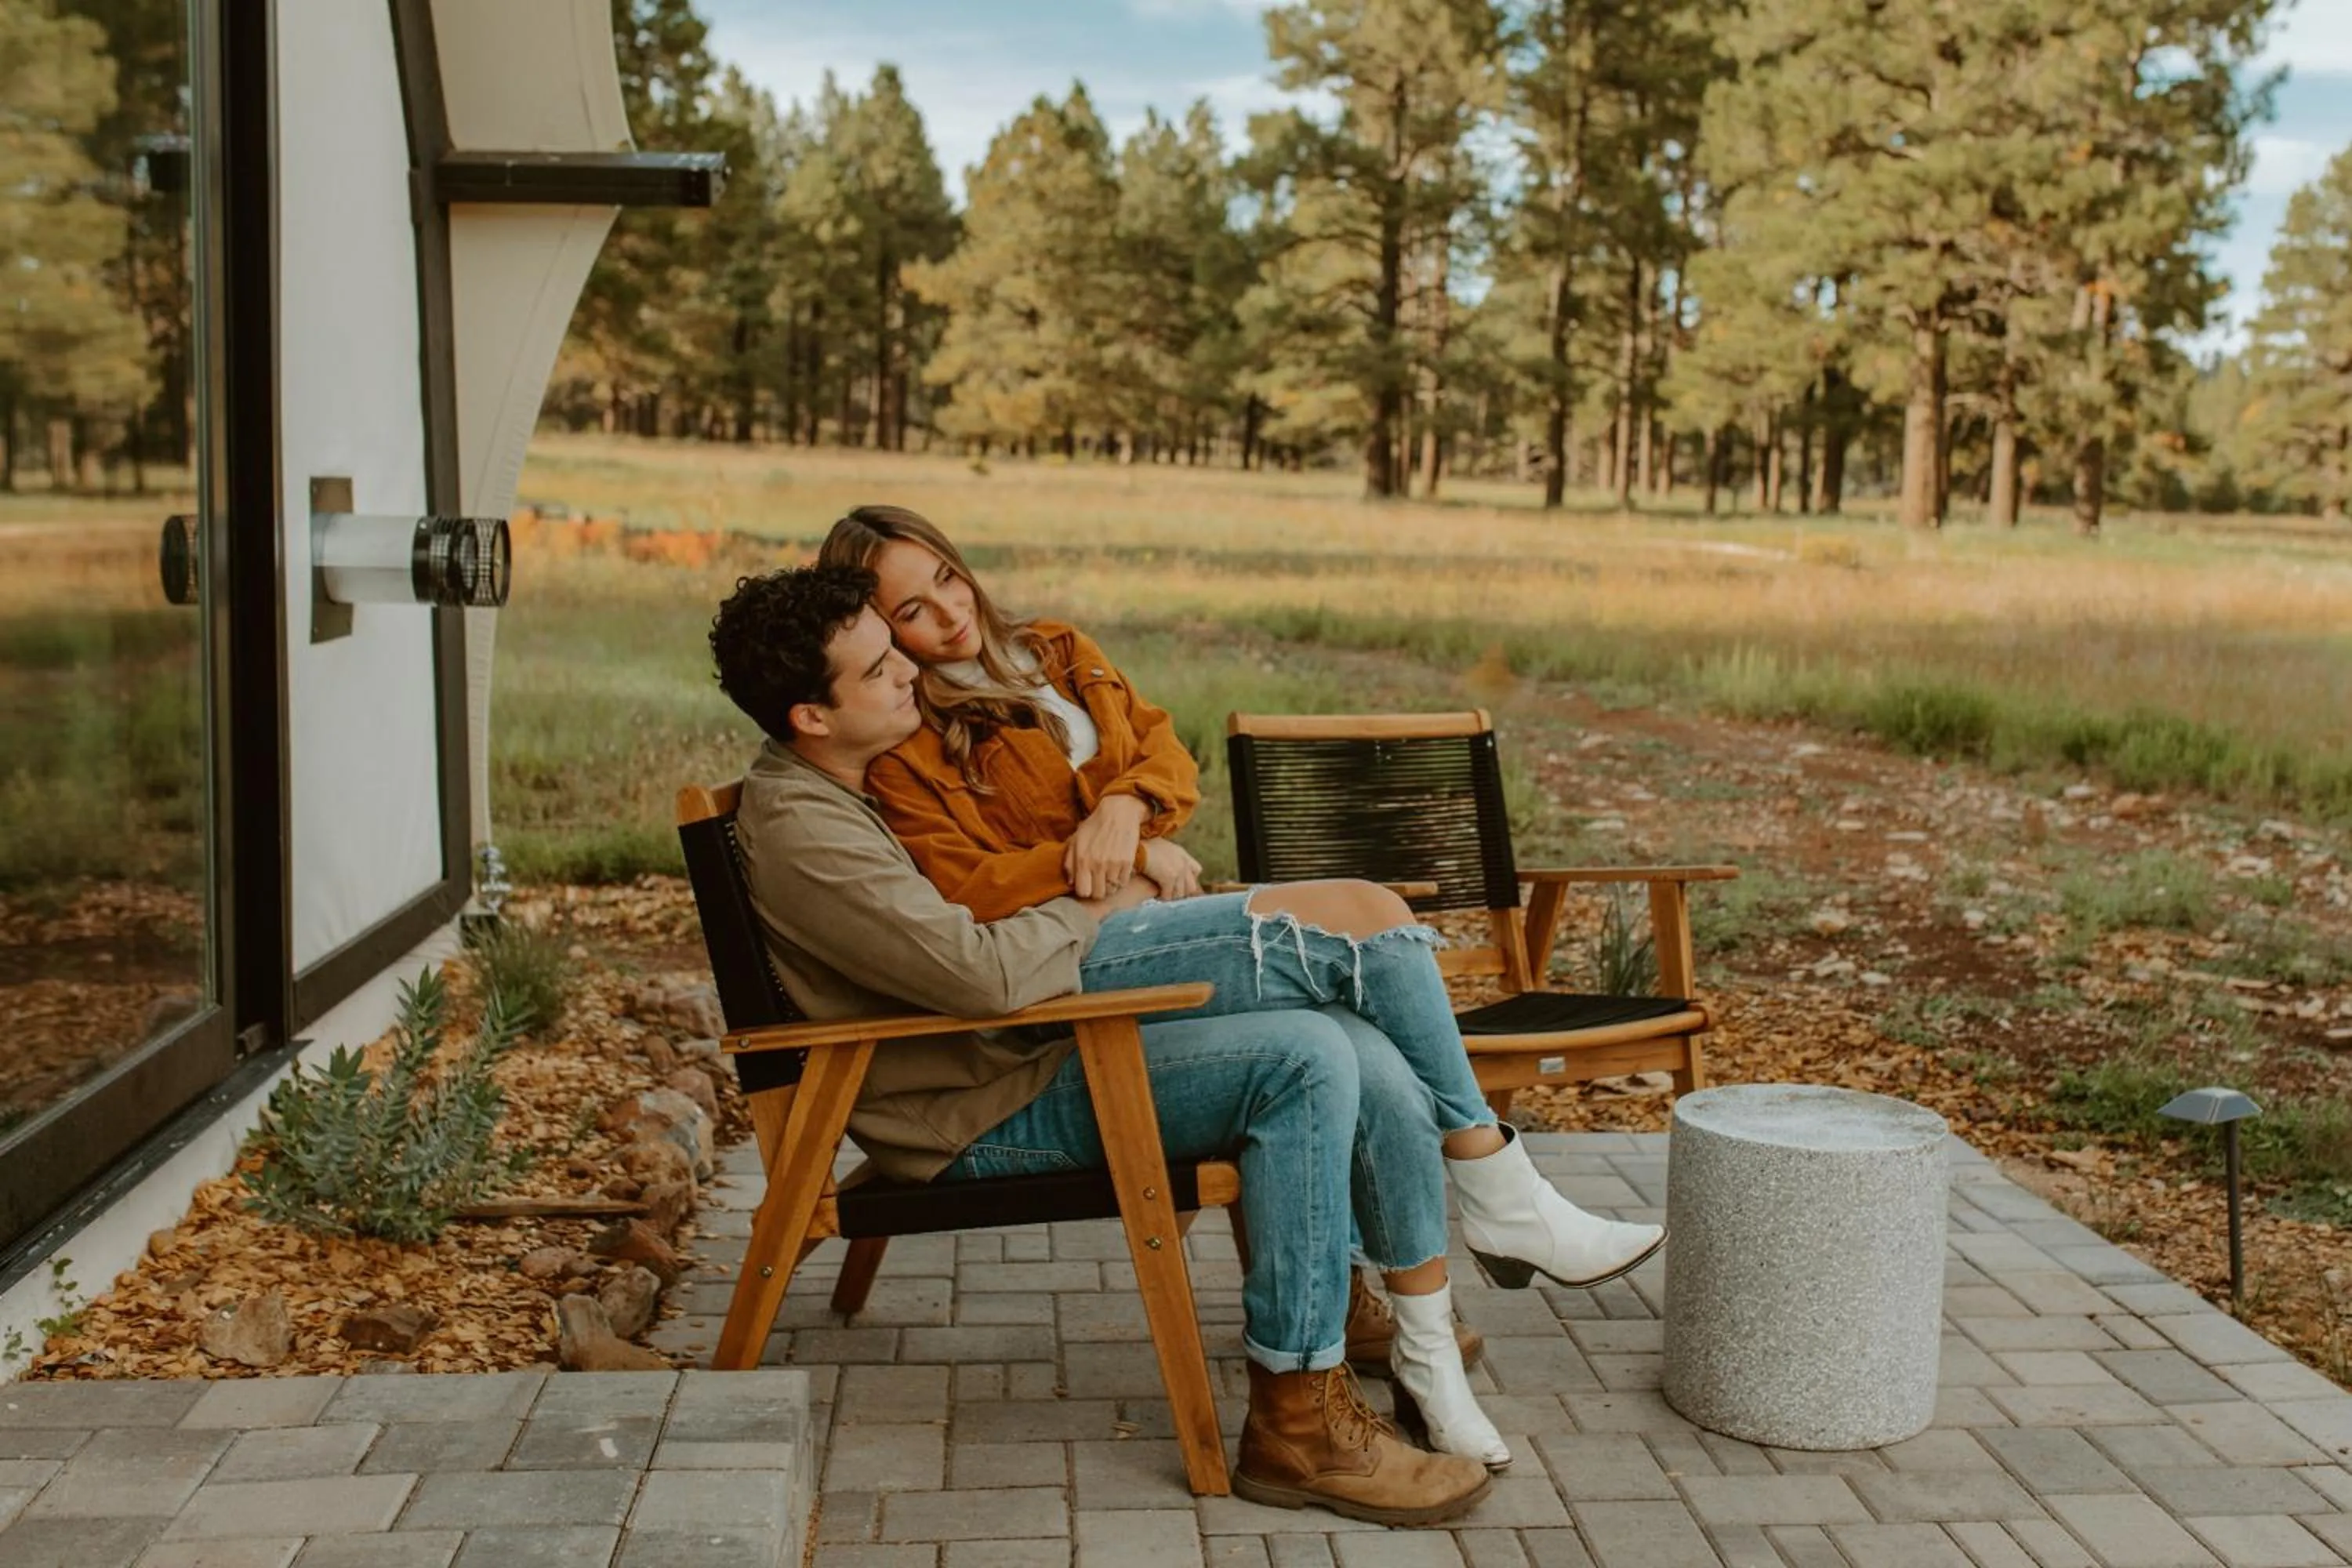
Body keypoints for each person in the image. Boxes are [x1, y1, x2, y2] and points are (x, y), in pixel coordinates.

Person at [709, 564, 1493, 1525]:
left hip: (1016, 1057)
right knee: (1302, 1054)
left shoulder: (846, 780)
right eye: (877, 669)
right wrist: (1105, 898)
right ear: (811, 716)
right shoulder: (807, 829)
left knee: (1338, 1035)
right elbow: (981, 976)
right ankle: (1300, 1422)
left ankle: (1351, 1336)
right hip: (975, 1112)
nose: (908, 669)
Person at [815, 506, 1663, 1301]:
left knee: (1367, 1038)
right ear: (877, 628)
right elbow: (969, 886)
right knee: (1369, 916)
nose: (951, 613)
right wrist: (1130, 856)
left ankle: (1402, 1311)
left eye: (948, 578)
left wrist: (1127, 807)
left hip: (1156, 917)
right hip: (1075, 962)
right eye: (913, 610)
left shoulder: (1057, 649)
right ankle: (1501, 1194)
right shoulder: (909, 737)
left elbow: (1164, 751)